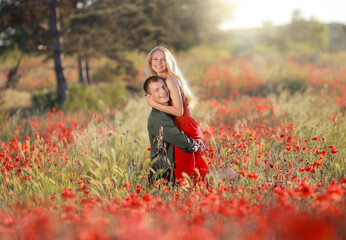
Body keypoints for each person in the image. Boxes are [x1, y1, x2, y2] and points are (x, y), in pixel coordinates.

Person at [145, 46, 239, 182]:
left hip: (185, 127)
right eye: (155, 59)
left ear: (169, 62)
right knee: (191, 171)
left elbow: (178, 111)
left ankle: (227, 175)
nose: (159, 63)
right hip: (179, 125)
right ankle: (226, 174)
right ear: (150, 61)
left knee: (189, 174)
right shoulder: (159, 80)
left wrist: (154, 104)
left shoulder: (170, 80)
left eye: (163, 60)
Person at [144, 76, 203, 185]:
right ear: (150, 97)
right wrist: (197, 144)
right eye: (157, 90)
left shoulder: (168, 110)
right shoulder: (158, 119)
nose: (163, 91)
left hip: (171, 170)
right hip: (163, 175)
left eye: (163, 87)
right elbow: (181, 140)